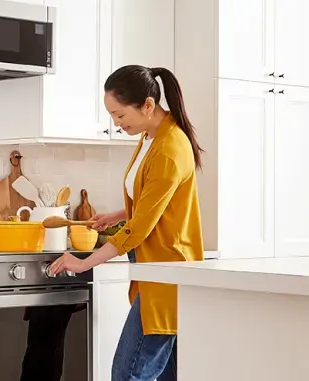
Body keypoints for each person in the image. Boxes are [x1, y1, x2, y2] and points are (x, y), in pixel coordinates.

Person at [48, 65, 206, 381]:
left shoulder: (169, 148)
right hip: (154, 269)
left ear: (148, 105)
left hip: (166, 271)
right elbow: (152, 199)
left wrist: (85, 263)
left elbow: (140, 230)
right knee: (166, 375)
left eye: (120, 115)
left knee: (128, 373)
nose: (117, 124)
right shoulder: (151, 137)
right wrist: (118, 215)